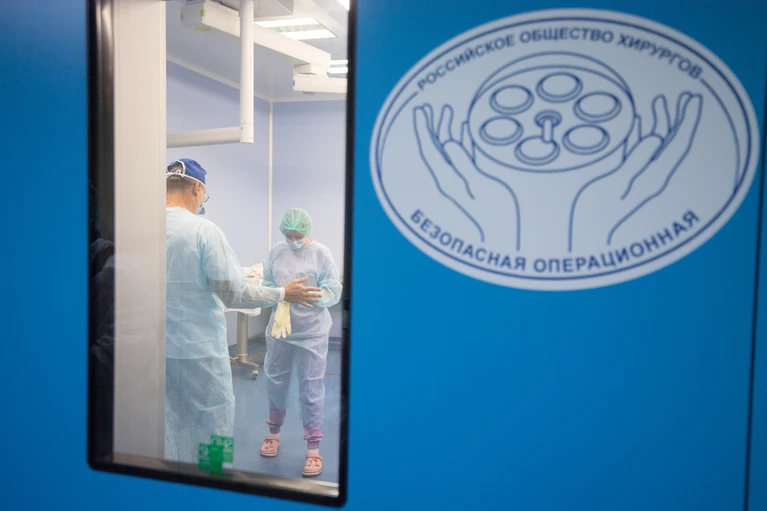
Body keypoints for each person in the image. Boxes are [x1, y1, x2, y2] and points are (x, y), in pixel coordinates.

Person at [164, 159, 323, 464]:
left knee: (167, 418)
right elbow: (233, 292)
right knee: (214, 420)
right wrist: (282, 293)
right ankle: (212, 473)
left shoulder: (141, 227)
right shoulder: (203, 231)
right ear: (198, 189)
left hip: (157, 349)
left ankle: (169, 475)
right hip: (200, 351)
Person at [259, 208, 342, 478]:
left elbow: (333, 289)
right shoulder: (276, 252)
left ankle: (313, 448)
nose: (293, 240)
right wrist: (282, 294)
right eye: (289, 235)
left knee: (311, 388)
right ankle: (273, 433)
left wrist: (309, 295)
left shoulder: (321, 253)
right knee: (276, 381)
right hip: (280, 329)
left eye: (298, 235)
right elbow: (267, 283)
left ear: (307, 231)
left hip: (311, 331)